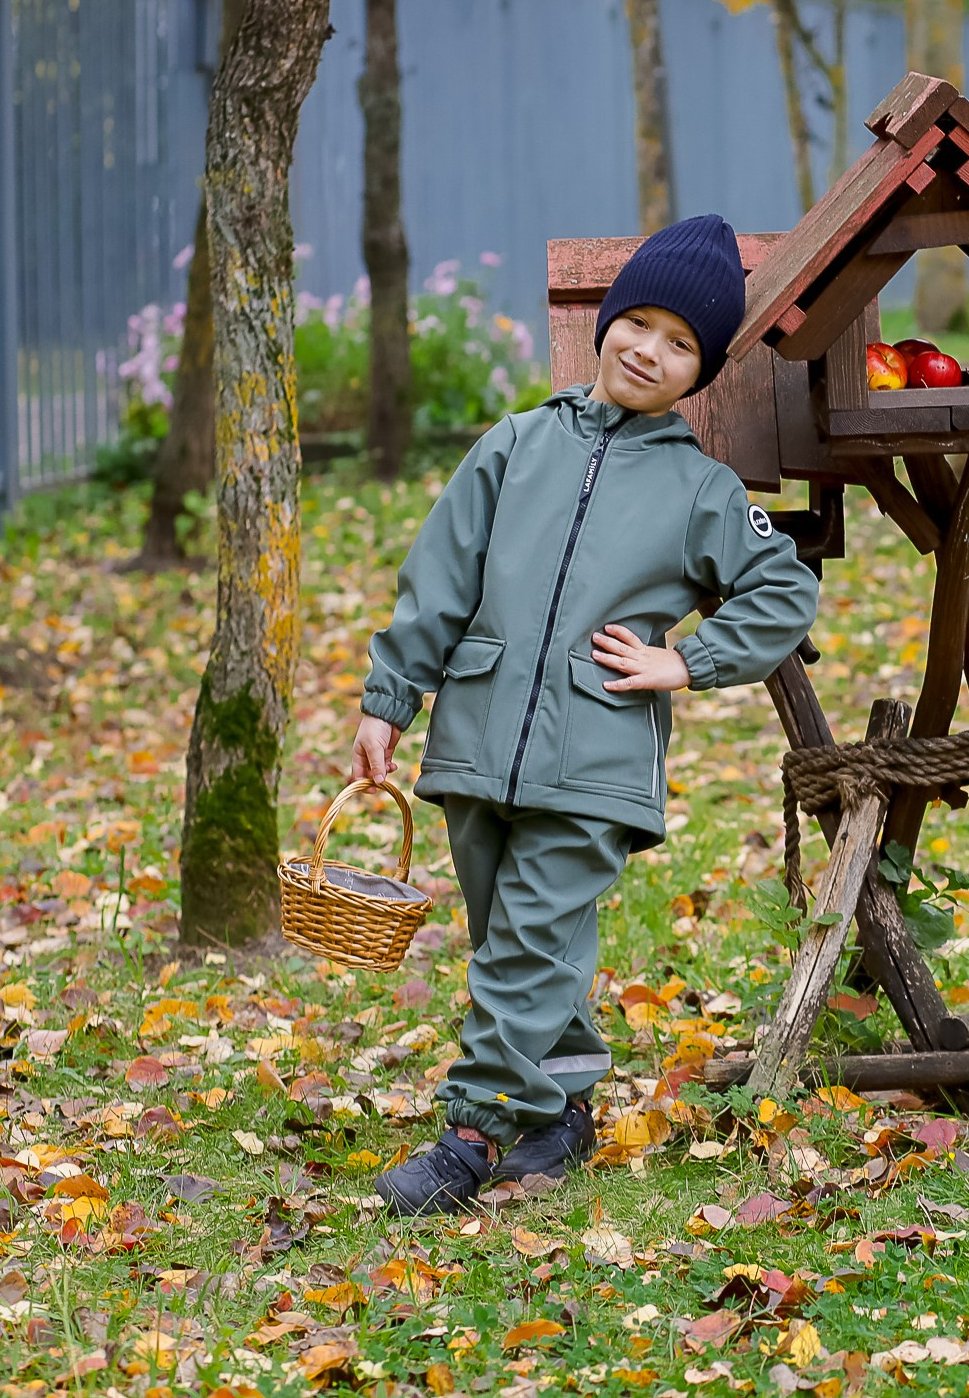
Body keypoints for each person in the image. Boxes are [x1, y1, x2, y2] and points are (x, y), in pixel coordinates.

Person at [348, 215, 820, 1215]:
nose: (649, 349)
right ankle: (561, 1108)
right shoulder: (515, 444)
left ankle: (470, 1136)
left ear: (699, 372)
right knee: (513, 939)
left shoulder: (700, 489)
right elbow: (438, 576)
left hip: (595, 755)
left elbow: (781, 591)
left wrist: (687, 661)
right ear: (608, 324)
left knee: (525, 939)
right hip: (475, 742)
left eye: (680, 341)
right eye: (638, 323)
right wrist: (391, 697)